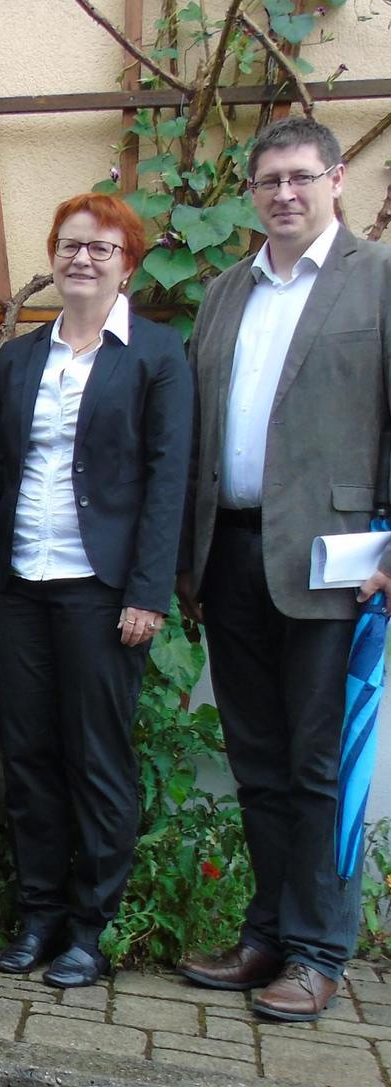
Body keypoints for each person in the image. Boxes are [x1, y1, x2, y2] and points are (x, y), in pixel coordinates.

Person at [175, 116, 391, 1022]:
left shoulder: (376, 282)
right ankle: (265, 932)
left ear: (336, 179)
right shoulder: (227, 290)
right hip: (229, 553)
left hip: (334, 563)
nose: (284, 195)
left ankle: (317, 950)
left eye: (301, 177)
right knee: (257, 763)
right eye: (267, 181)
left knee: (318, 766)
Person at [0, 194, 193, 987]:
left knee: (96, 758)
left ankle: (88, 929)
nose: (81, 259)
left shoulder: (156, 355)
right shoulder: (20, 359)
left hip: (103, 590)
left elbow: (169, 482)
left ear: (126, 260)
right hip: (22, 583)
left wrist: (148, 590)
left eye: (99, 248)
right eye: (68, 246)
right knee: (26, 756)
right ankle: (38, 916)